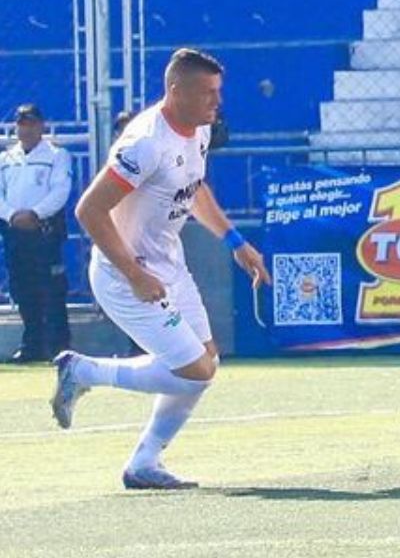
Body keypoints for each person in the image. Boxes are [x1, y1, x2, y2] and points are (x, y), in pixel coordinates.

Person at [48, 48, 272, 490]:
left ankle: (143, 464)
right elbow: (89, 210)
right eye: (208, 92)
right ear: (176, 91)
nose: (216, 102)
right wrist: (134, 273)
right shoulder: (145, 144)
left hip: (169, 266)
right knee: (195, 370)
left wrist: (234, 240)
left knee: (206, 363)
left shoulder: (198, 131)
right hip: (123, 276)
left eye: (218, 92)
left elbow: (195, 188)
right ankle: (82, 370)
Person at [0, 103, 74, 363]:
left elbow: (60, 191)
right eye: (22, 123)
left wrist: (35, 214)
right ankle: (32, 345)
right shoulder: (6, 159)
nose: (26, 128)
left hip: (44, 232)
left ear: (41, 126)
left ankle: (59, 346)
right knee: (22, 289)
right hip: (14, 233)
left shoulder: (56, 155)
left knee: (52, 289)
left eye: (31, 123)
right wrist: (12, 215)